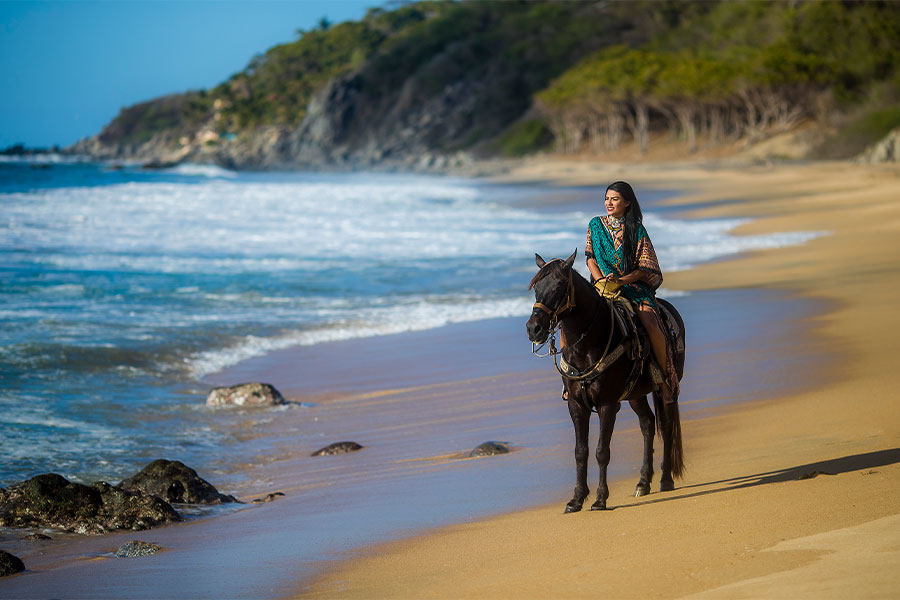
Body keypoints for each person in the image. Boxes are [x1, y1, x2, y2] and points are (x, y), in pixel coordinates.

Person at [583, 181, 679, 402]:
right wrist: (601, 281)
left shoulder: (636, 229)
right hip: (600, 285)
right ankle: (568, 380)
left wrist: (620, 280)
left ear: (626, 203)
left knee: (652, 324)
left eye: (614, 199)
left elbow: (645, 268)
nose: (609, 203)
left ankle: (665, 379)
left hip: (631, 287)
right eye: (607, 198)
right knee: (569, 316)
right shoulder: (595, 224)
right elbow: (590, 259)